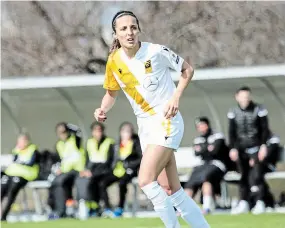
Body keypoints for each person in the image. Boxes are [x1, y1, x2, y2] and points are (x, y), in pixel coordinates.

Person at [94, 10, 210, 228]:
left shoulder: (155, 51)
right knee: (171, 190)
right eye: (124, 29)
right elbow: (111, 93)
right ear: (116, 34)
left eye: (133, 27)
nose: (129, 32)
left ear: (138, 29)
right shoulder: (114, 61)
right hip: (146, 127)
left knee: (146, 180)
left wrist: (176, 97)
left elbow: (187, 70)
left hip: (166, 120)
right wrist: (101, 109)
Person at [227, 86, 270, 214]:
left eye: (247, 96)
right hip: (241, 149)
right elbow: (231, 132)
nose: (245, 99)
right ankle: (244, 202)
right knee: (243, 176)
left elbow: (265, 129)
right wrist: (233, 148)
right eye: (243, 96)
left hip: (256, 148)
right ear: (237, 97)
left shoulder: (259, 109)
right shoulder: (233, 112)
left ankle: (260, 202)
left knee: (256, 175)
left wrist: (263, 146)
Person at [184, 117, 230, 214]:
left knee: (206, 177)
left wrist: (203, 149)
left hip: (218, 164)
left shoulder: (217, 135)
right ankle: (184, 208)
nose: (201, 128)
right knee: (191, 180)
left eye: (203, 125)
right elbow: (197, 152)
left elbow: (215, 150)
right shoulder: (198, 139)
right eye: (198, 126)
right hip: (203, 164)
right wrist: (207, 148)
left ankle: (207, 207)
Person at [100, 122, 142, 217]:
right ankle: (107, 208)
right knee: (102, 183)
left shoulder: (136, 143)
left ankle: (120, 208)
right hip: (117, 171)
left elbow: (140, 158)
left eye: (128, 132)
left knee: (122, 183)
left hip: (129, 171)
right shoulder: (116, 145)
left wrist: (129, 164)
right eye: (124, 132)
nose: (126, 134)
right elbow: (111, 159)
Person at [75, 121, 114, 219]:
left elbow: (109, 161)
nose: (98, 133)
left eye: (99, 131)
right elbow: (87, 159)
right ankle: (94, 207)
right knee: (87, 183)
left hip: (105, 171)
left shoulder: (109, 142)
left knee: (101, 184)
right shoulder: (89, 142)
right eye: (95, 131)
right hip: (93, 171)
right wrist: (86, 170)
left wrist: (92, 172)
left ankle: (107, 208)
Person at [48, 122, 86, 219]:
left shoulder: (75, 140)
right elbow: (57, 160)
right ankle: (58, 209)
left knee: (60, 182)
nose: (62, 134)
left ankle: (61, 210)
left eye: (64, 131)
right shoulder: (59, 144)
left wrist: (67, 126)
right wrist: (58, 169)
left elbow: (78, 131)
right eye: (60, 132)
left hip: (77, 170)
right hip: (65, 171)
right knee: (56, 183)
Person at [1, 133, 40, 221]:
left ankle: (4, 216)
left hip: (25, 176)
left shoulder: (33, 150)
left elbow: (31, 163)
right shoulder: (16, 150)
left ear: (26, 141)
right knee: (2, 187)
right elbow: (13, 161)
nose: (19, 143)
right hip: (11, 175)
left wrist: (20, 161)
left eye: (22, 141)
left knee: (12, 191)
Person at [248, 131, 280, 214]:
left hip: (269, 166)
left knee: (257, 172)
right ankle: (265, 202)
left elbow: (270, 152)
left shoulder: (273, 138)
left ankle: (260, 200)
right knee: (254, 172)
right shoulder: (256, 139)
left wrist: (257, 159)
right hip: (258, 166)